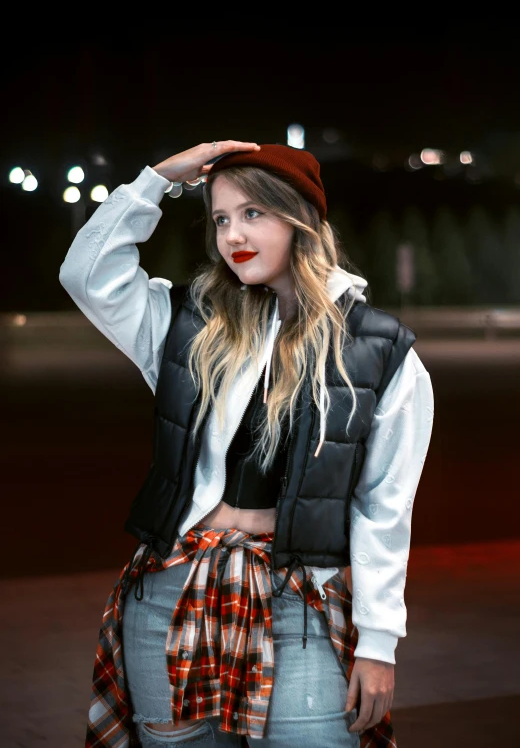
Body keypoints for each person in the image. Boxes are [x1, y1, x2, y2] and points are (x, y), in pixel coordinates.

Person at [59, 140, 434, 748]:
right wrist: (158, 178)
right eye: (221, 218)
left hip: (298, 607)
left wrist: (380, 642)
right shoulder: (187, 322)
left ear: (299, 218)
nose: (234, 233)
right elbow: (86, 273)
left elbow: (385, 507)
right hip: (170, 595)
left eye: (254, 213)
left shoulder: (382, 350)